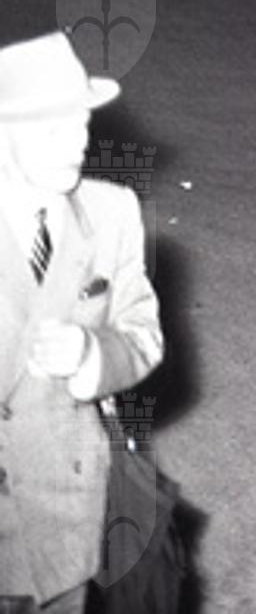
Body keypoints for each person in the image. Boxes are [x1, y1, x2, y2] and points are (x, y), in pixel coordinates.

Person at [0, 32, 164, 614]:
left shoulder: (111, 211)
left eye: (81, 124)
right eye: (52, 131)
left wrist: (93, 355)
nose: (75, 144)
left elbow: (143, 334)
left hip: (65, 512)